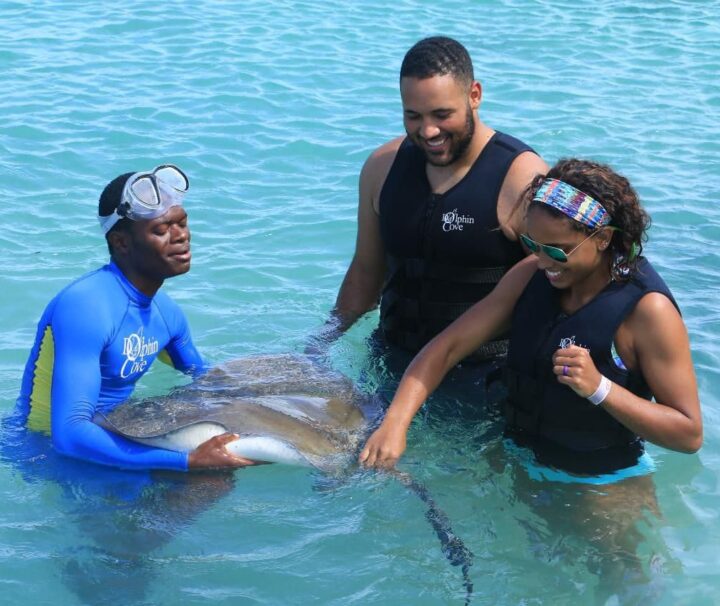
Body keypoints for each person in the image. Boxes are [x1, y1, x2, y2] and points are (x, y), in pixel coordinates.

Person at [359, 158, 703, 477]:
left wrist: (600, 388)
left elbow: (688, 434)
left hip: (598, 482)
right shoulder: (529, 275)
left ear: (602, 239)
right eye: (533, 243)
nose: (542, 260)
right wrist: (395, 424)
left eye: (557, 249)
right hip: (516, 462)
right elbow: (446, 348)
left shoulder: (647, 311)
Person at [310, 36, 547, 365]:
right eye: (414, 116)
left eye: (441, 114)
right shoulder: (382, 168)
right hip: (391, 361)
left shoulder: (520, 177)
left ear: (474, 95)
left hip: (485, 375)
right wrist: (317, 347)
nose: (428, 131)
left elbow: (560, 282)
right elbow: (365, 274)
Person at [14, 164, 258, 471]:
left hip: (113, 433)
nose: (181, 236)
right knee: (207, 477)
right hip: (47, 454)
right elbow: (70, 433)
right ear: (121, 242)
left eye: (182, 223)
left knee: (220, 471)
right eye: (162, 229)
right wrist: (188, 461)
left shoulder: (166, 313)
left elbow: (208, 381)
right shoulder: (86, 305)